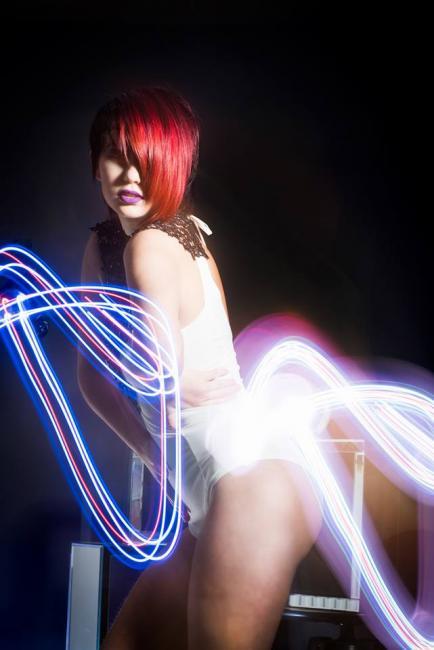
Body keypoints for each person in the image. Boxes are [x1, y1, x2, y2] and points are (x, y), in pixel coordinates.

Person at [77, 85, 324, 650]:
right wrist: (148, 449)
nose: (129, 174)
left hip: (248, 480)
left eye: (146, 157)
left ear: (174, 164)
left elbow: (163, 372)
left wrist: (161, 380)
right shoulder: (108, 244)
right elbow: (92, 378)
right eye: (115, 154)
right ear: (95, 164)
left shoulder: (152, 245)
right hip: (211, 491)